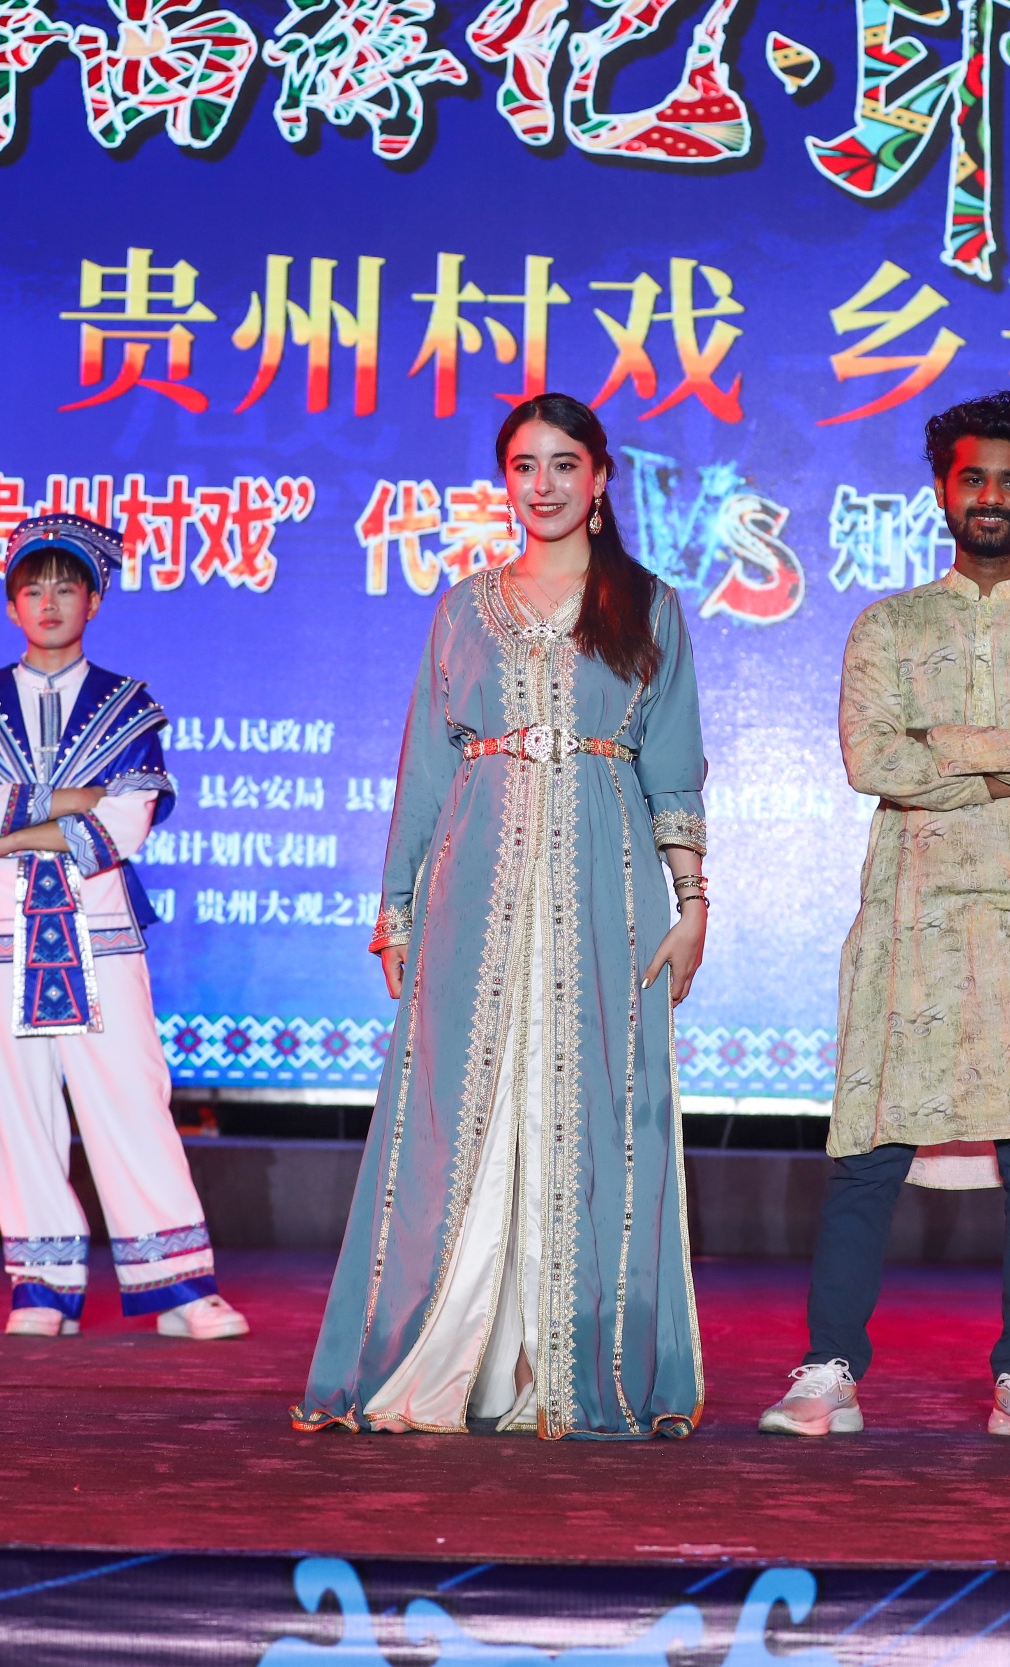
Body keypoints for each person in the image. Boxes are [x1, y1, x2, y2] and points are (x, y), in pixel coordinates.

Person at [292, 392, 709, 1439]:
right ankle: (445, 1356)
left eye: (566, 463)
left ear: (603, 477)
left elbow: (674, 766)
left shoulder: (648, 606)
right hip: (476, 879)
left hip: (608, 879)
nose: (545, 484)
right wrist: (394, 903)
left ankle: (572, 1364)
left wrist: (695, 899)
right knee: (452, 1104)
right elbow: (425, 765)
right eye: (525, 465)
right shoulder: (463, 606)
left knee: (598, 1104)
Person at [757, 391, 1010, 1445]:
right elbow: (872, 760)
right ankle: (830, 1366)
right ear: (941, 490)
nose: (992, 497)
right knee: (870, 1150)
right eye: (973, 478)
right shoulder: (889, 624)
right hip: (912, 918)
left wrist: (942, 742)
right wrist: (1009, 751)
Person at [0, 514, 246, 1342]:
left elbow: (125, 827)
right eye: (32, 588)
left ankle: (179, 1287)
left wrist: (14, 824)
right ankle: (41, 1285)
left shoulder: (127, 701)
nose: (49, 601)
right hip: (3, 936)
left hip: (99, 929)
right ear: (10, 605)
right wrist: (69, 799)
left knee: (132, 1099)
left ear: (94, 599)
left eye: (67, 586)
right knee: (22, 1108)